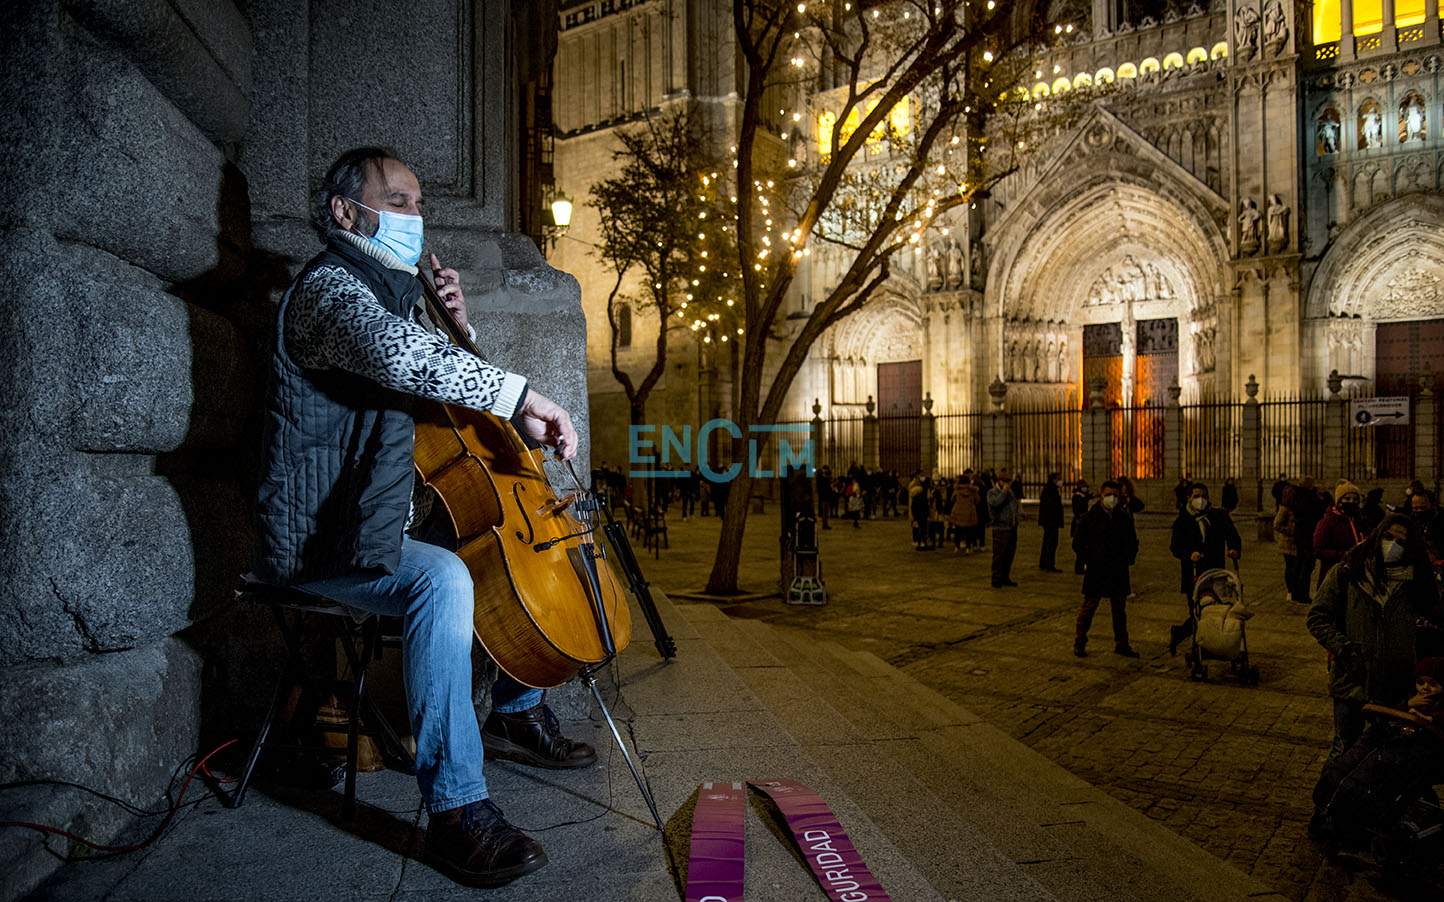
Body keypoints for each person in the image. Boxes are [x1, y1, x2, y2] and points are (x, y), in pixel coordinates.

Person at [251, 148, 600, 887]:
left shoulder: (388, 295)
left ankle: (514, 702)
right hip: (324, 536)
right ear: (347, 213)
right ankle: (457, 813)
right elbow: (396, 356)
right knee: (441, 578)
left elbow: (443, 384)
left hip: (378, 517)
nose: (418, 218)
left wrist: (461, 329)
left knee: (499, 545)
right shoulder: (331, 295)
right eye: (402, 202)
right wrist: (527, 396)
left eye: (419, 204)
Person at [1307, 514, 1444, 762]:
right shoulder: (1348, 571)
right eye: (1388, 537)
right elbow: (1317, 618)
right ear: (1376, 537)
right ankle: (1329, 800)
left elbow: (1438, 616)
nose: (1392, 545)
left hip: (1397, 683)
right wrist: (1344, 649)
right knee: (1344, 747)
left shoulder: (1416, 580)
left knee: (1390, 751)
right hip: (1352, 680)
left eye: (1400, 542)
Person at [1168, 483, 1242, 654]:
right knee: (1197, 612)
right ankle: (1188, 638)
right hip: (1192, 573)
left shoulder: (1219, 516)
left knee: (1215, 611)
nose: (1200, 500)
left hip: (1216, 571)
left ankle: (1207, 642)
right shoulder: (1182, 521)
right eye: (1196, 496)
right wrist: (1189, 554)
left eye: (1203, 496)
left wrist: (1233, 548)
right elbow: (1175, 547)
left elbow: (1232, 535)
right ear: (1189, 498)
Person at [1072, 481, 1140, 658]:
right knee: (1089, 606)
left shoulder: (1123, 518)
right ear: (1101, 496)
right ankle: (1080, 640)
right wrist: (1090, 559)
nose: (1112, 498)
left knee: (1119, 610)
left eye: (1115, 495)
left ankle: (1121, 643)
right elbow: (1078, 543)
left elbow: (1132, 541)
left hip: (1118, 569)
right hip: (1097, 569)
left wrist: (1129, 558)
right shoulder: (1089, 518)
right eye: (1109, 494)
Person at [1313, 480, 1367, 586]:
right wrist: (1344, 554)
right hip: (1334, 573)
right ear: (1339, 501)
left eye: (1355, 499)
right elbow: (1318, 550)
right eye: (1347, 498)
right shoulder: (1328, 521)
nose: (1352, 502)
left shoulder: (1360, 520)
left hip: (1357, 574)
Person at [987, 468, 1021, 587]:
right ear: (1000, 481)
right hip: (1000, 529)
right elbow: (995, 503)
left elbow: (1014, 506)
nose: (1009, 484)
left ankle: (1005, 577)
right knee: (999, 555)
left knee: (1009, 554)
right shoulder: (992, 492)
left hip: (1011, 528)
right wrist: (1004, 492)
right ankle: (996, 578)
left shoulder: (1010, 492)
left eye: (1009, 482)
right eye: (1006, 481)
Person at [1274, 485, 1306, 604]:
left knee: (1295, 567)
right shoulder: (1284, 508)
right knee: (1290, 567)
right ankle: (1290, 591)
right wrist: (1291, 530)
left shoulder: (1295, 507)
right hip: (1287, 543)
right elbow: (1277, 524)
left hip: (1295, 542)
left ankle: (1295, 590)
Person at [1038, 472, 1065, 572]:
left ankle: (1044, 563)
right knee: (1051, 543)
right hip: (1051, 522)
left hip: (1049, 521)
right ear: (1053, 480)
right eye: (1058, 479)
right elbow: (1051, 507)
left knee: (1047, 542)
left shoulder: (1051, 489)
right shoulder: (1051, 490)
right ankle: (1049, 564)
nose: (1060, 481)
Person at [949, 476, 980, 553]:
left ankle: (957, 547)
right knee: (969, 531)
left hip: (959, 512)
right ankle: (968, 547)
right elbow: (978, 500)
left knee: (958, 530)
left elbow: (952, 499)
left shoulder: (957, 490)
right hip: (969, 512)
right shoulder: (973, 491)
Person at [1070, 479, 1092, 574]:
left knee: (1083, 547)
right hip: (1079, 522)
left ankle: (1081, 567)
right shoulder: (1078, 497)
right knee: (1080, 547)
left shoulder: (1083, 496)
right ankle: (1079, 568)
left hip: (1082, 522)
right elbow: (1078, 509)